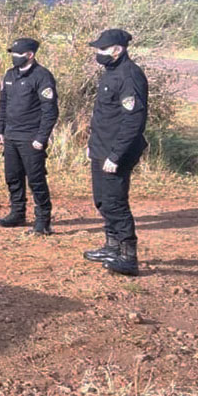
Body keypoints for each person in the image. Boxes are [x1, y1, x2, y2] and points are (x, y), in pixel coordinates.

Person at [82, 28, 148, 276]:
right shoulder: (110, 72)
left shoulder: (130, 75)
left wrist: (115, 155)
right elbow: (103, 116)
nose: (98, 53)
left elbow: (133, 121)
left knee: (115, 202)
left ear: (117, 50)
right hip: (101, 147)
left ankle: (128, 257)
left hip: (117, 152)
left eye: (102, 49)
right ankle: (111, 247)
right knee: (101, 200)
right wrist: (93, 145)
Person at [0, 37, 59, 234]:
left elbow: (50, 111)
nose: (14, 57)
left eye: (18, 54)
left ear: (30, 55)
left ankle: (43, 220)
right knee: (12, 177)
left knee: (36, 179)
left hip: (31, 137)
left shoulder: (42, 76)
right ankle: (17, 213)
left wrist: (41, 138)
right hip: (11, 135)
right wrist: (0, 130)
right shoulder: (10, 75)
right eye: (13, 54)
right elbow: (3, 104)